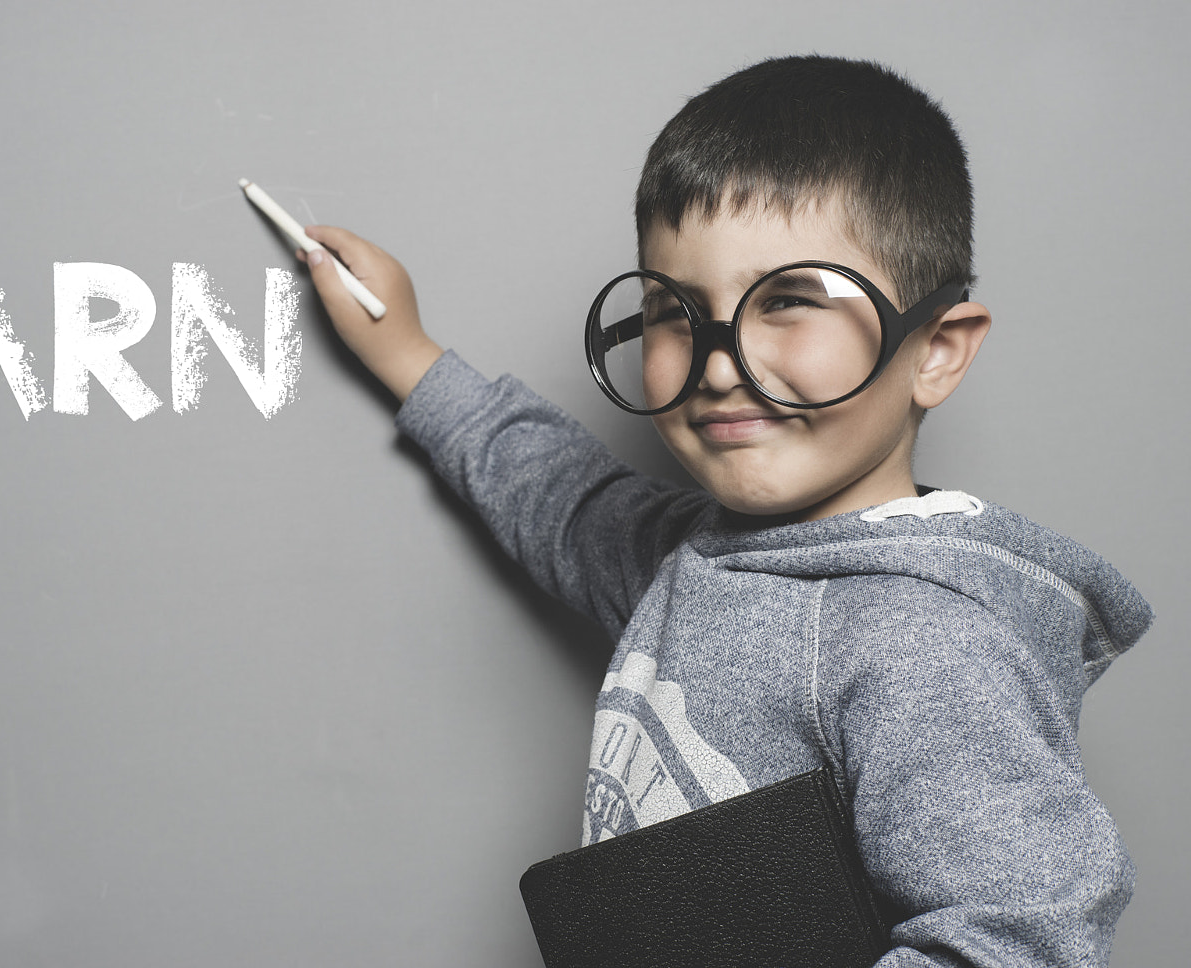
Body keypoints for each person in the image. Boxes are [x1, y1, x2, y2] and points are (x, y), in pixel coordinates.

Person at [295, 55, 1153, 966]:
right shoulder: (701, 562)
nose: (715, 363)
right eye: (673, 311)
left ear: (936, 349)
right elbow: (562, 500)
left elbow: (1019, 941)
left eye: (786, 301)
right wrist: (411, 356)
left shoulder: (927, 644)